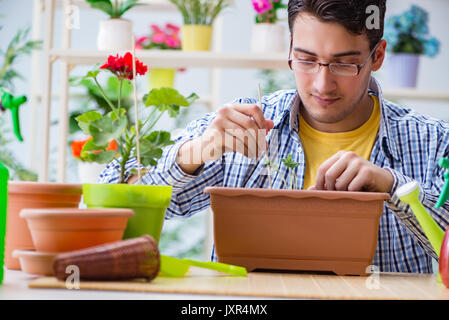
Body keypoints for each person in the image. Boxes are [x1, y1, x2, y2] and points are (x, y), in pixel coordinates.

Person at [99, 0, 449, 273]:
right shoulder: (241, 124)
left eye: (344, 64)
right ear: (289, 52)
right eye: (306, 60)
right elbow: (109, 203)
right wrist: (195, 153)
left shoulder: (431, 140)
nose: (322, 84)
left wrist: (393, 187)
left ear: (378, 56)